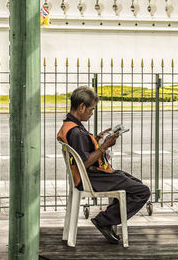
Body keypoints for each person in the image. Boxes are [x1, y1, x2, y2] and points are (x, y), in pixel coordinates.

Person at [57, 86, 151, 244]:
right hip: (92, 177)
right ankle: (104, 220)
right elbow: (85, 162)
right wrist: (104, 146)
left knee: (134, 184)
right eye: (91, 109)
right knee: (142, 191)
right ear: (81, 107)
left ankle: (108, 220)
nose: (91, 113)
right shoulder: (76, 132)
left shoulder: (70, 126)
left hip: (89, 175)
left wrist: (98, 139)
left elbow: (83, 153)